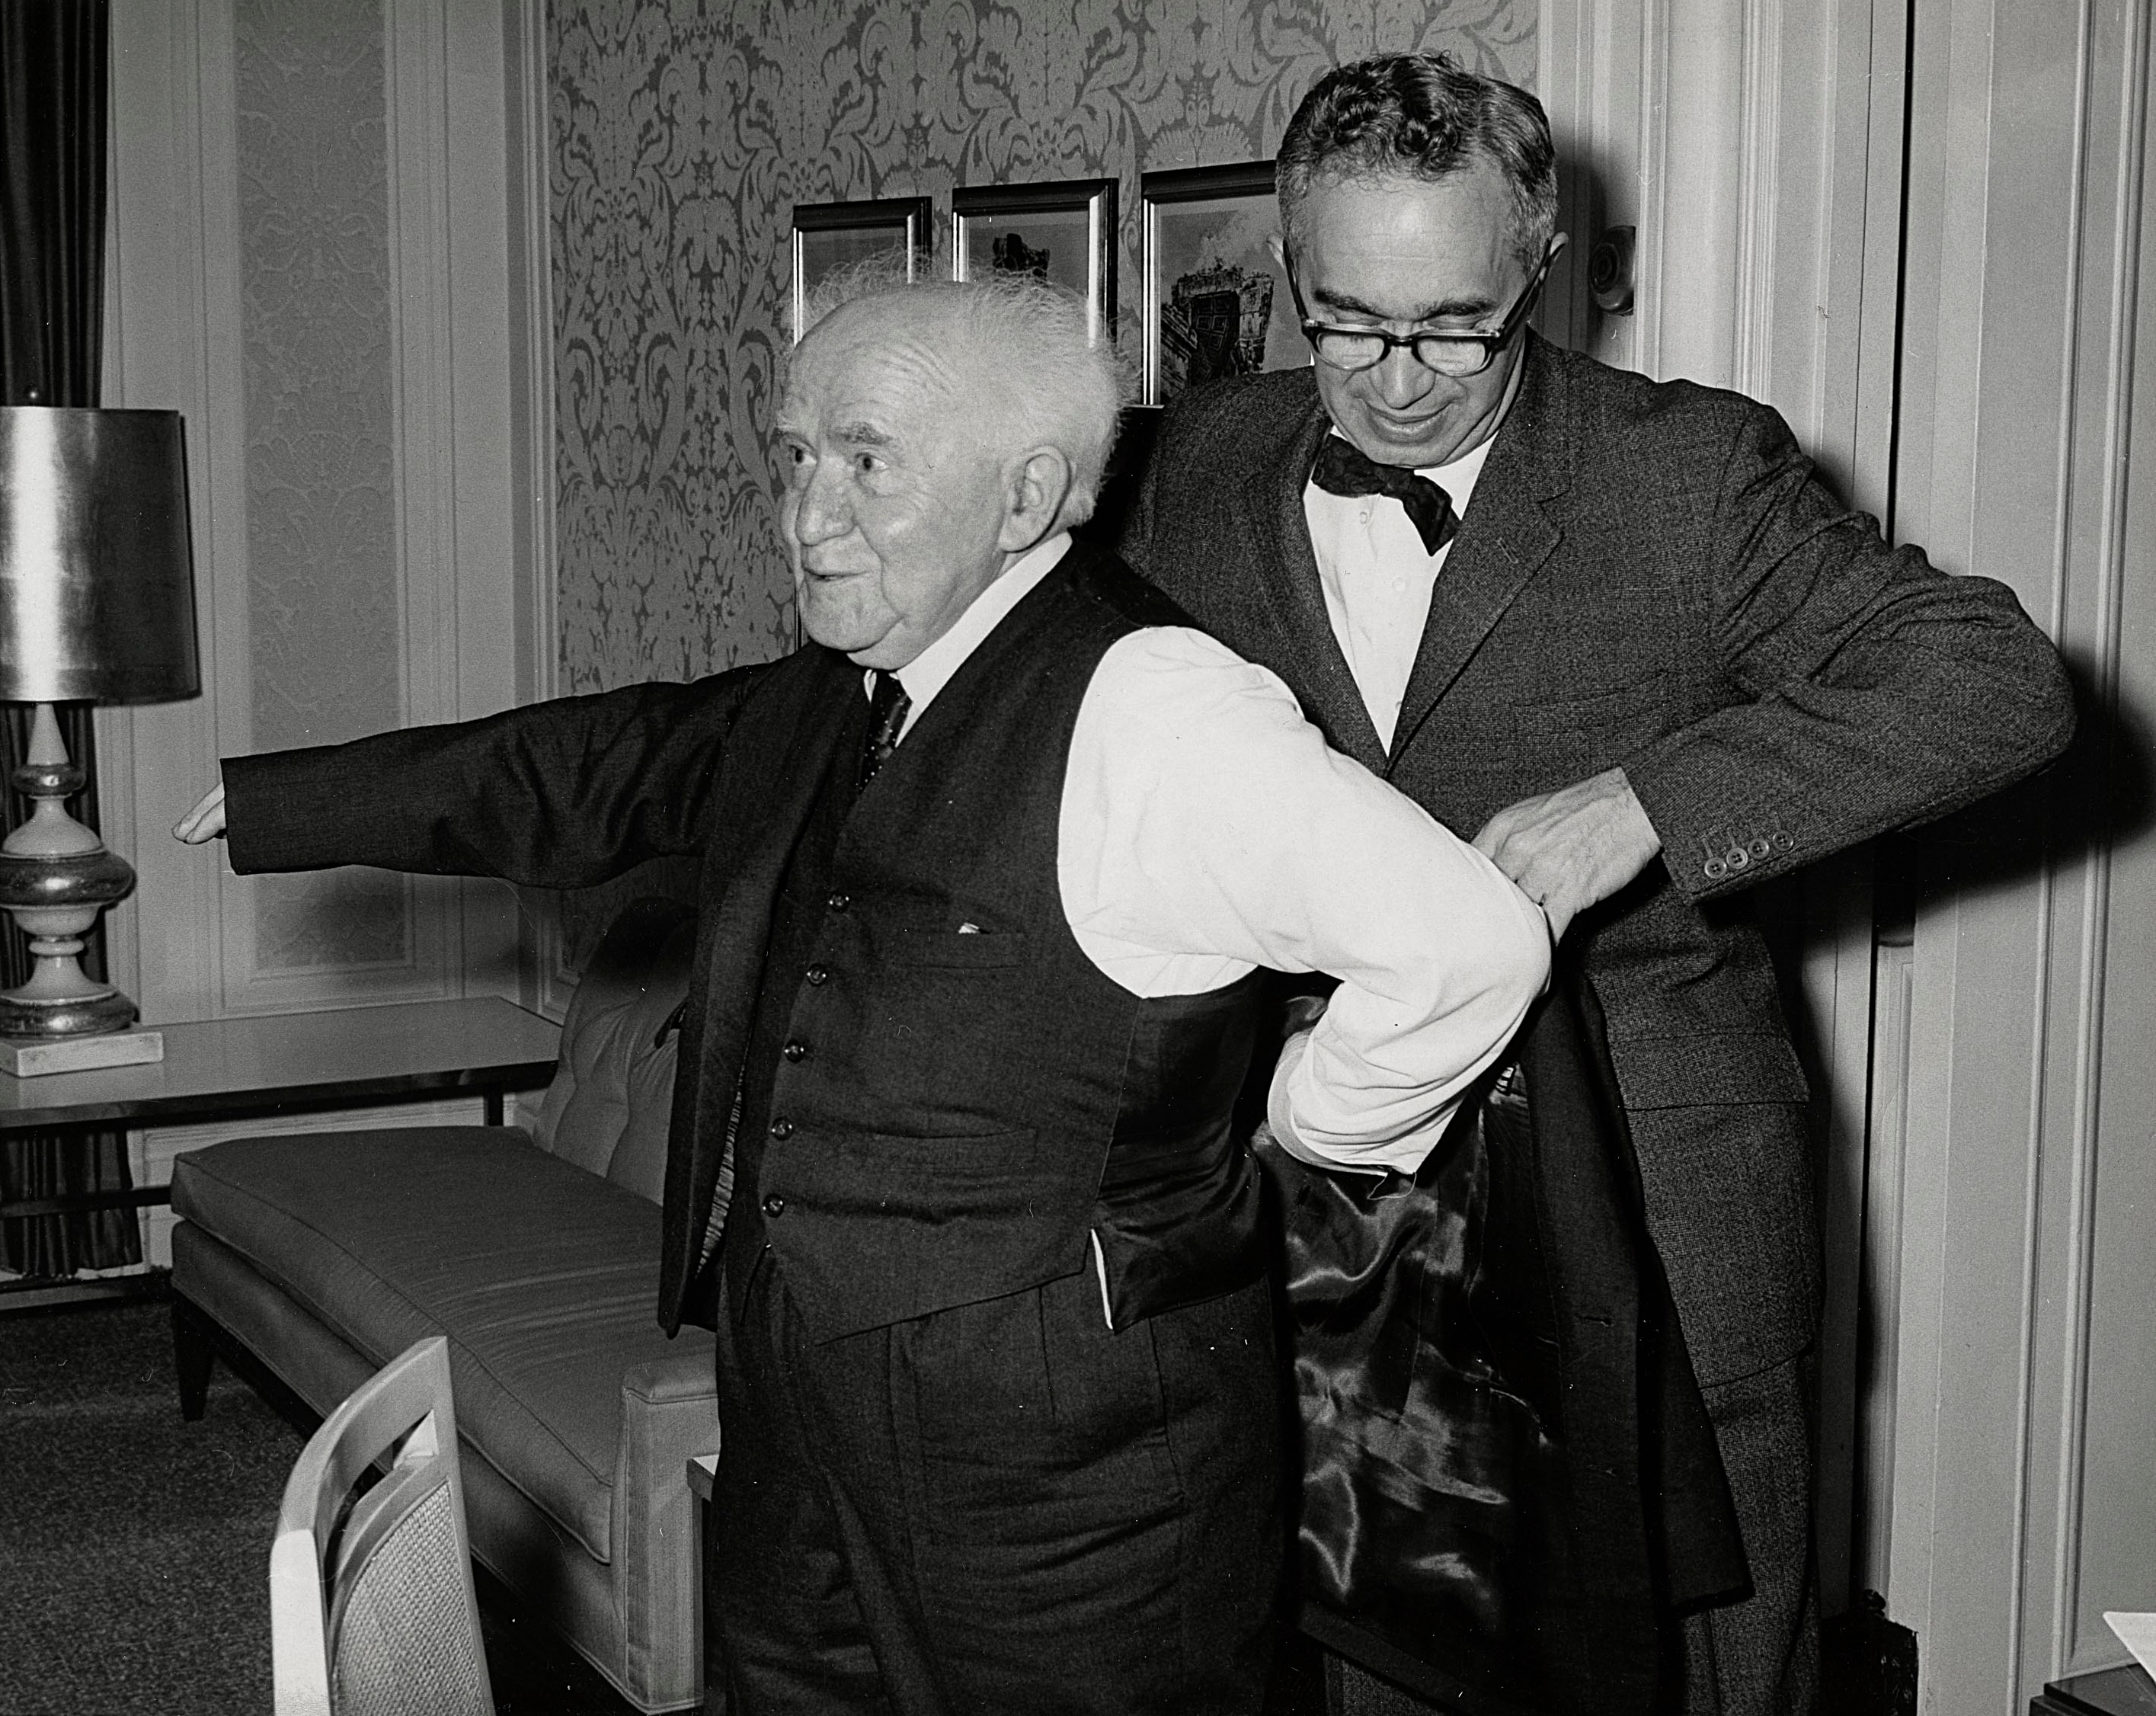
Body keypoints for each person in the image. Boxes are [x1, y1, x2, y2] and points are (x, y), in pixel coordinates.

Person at [174, 271, 1550, 1715]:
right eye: (798, 455)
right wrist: (283, 801)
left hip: (1067, 1454)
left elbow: (1468, 944)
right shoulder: (848, 680)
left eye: (867, 462)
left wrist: (1311, 1127)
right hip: (793, 1392)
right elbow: (596, 766)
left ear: (1025, 498)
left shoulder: (1165, 713)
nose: (806, 513)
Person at [1117, 53, 2076, 1716]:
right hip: (1315, 1211)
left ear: (1541, 266)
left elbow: (1989, 678)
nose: (1397, 381)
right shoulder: (1191, 470)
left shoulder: (1688, 477)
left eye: (1455, 325)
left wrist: (1646, 799)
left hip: (1646, 1212)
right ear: (1283, 271)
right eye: (1344, 320)